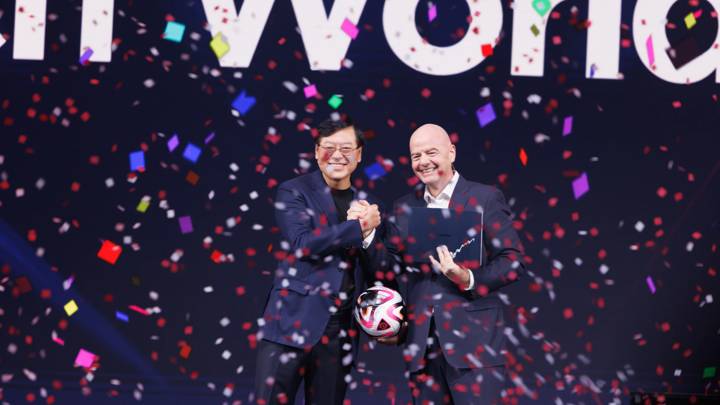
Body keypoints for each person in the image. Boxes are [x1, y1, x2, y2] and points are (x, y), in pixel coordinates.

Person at [381, 123, 526, 404]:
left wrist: (467, 278)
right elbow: (389, 266)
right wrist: (368, 233)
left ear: (452, 152)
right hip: (421, 347)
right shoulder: (403, 208)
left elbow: (513, 260)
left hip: (475, 347)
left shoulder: (485, 197)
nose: (423, 162)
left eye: (431, 152)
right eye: (415, 156)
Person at [254, 117, 388, 404]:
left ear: (359, 154)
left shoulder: (369, 205)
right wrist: (358, 228)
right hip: (290, 322)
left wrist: (368, 236)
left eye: (346, 148)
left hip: (339, 332)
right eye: (329, 147)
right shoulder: (294, 191)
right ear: (316, 152)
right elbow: (303, 244)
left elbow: (379, 269)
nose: (337, 155)